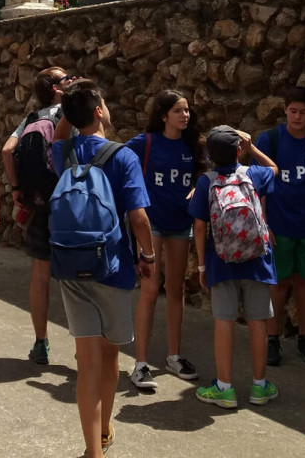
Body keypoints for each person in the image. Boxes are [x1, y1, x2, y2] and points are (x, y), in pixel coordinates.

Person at [49, 80, 153, 458]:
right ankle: (106, 428)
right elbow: (139, 217)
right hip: (113, 267)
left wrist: (68, 107)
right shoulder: (122, 156)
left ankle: (92, 450)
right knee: (111, 358)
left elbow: (57, 137)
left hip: (70, 264)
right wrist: (149, 256)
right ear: (99, 112)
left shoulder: (65, 153)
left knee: (86, 363)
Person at [191, 125, 279, 408]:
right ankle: (259, 386)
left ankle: (225, 388)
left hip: (221, 261)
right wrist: (253, 148)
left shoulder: (206, 182)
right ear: (238, 150)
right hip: (257, 260)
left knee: (224, 322)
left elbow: (200, 226)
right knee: (257, 322)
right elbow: (275, 169)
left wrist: (202, 267)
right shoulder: (253, 174)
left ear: (210, 155)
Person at [125, 89, 203, 389]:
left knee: (176, 290)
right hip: (152, 224)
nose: (185, 115)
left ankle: (173, 356)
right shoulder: (145, 143)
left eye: (186, 110)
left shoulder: (193, 146)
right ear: (163, 116)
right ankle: (141, 363)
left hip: (181, 225)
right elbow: (117, 161)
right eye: (178, 111)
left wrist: (198, 187)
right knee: (149, 289)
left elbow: (202, 177)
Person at [254, 87, 305, 367]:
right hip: (279, 224)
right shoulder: (271, 141)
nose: (298, 116)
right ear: (285, 110)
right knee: (278, 283)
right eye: (293, 110)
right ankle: (272, 338)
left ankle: (304, 338)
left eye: (303, 112)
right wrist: (264, 224)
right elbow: (261, 188)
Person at [1, 66, 74, 365]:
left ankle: (41, 342)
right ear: (57, 89)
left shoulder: (31, 119)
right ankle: (83, 345)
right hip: (70, 205)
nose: (71, 80)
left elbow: (7, 150)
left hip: (41, 204)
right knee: (75, 276)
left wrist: (18, 188)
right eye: (66, 78)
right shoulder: (72, 114)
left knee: (40, 276)